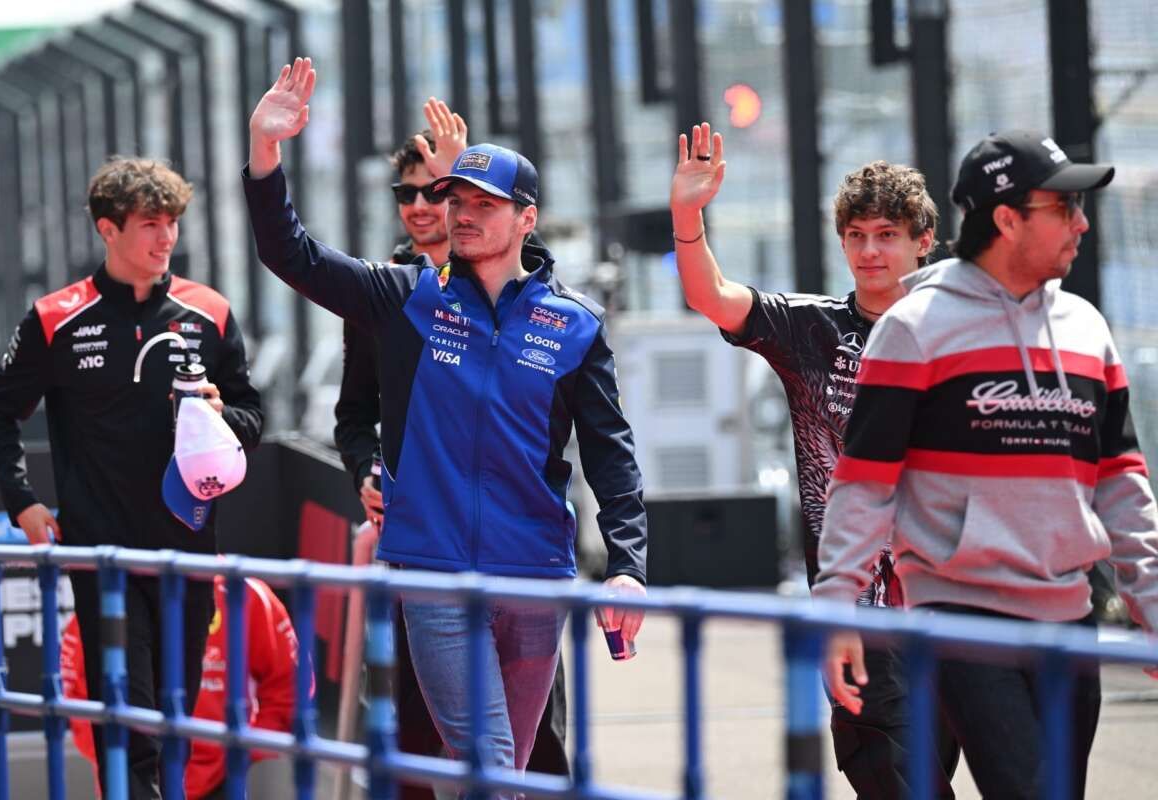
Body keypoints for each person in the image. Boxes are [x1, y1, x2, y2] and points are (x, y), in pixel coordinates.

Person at [244, 58, 646, 783]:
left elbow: (611, 453)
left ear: (526, 218)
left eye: (483, 204)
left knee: (506, 772)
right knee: (490, 763)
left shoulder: (575, 324)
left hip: (536, 576)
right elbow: (291, 254)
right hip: (434, 573)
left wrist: (626, 568)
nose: (462, 214)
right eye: (454, 199)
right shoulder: (406, 298)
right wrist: (266, 151)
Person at [813, 130, 1158, 798]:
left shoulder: (1086, 328)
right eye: (1063, 207)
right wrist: (837, 609)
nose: (1081, 223)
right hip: (961, 617)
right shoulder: (914, 329)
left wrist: (1151, 603)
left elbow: (1120, 482)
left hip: (1070, 617)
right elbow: (864, 483)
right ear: (1006, 219)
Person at [669, 122, 958, 797]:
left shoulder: (960, 336)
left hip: (958, 605)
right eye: (856, 236)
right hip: (858, 613)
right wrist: (687, 214)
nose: (869, 250)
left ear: (923, 241)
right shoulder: (811, 329)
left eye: (886, 234)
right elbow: (712, 296)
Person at [0, 156, 264, 798]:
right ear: (108, 229)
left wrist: (221, 416)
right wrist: (22, 501)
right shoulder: (56, 316)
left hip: (188, 551)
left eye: (173, 223)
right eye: (150, 224)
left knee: (174, 719)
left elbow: (253, 415)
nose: (166, 238)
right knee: (129, 723)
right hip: (102, 556)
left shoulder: (210, 312)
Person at [332, 105, 572, 795]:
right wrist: (368, 469)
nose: (419, 205)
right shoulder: (385, 293)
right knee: (413, 724)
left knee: (527, 740)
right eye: (404, 193)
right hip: (421, 546)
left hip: (516, 552)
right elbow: (354, 416)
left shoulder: (526, 295)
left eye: (432, 190)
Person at [62, 575, 306, 799]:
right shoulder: (112, 595)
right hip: (132, 780)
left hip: (221, 781)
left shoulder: (244, 593)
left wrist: (245, 753)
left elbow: (291, 685)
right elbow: (75, 696)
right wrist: (117, 759)